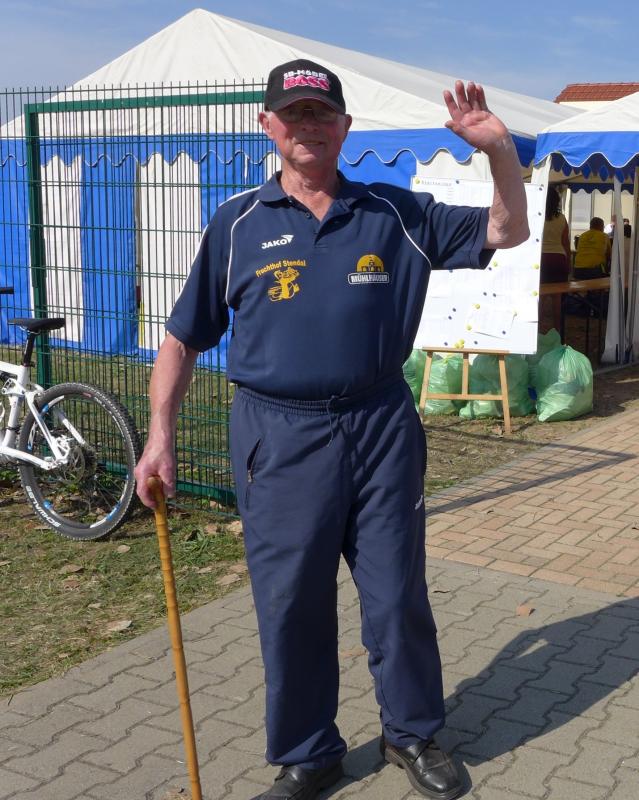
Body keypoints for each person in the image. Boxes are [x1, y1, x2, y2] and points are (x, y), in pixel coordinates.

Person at [134, 59, 528, 800]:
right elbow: (182, 338)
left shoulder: (396, 213)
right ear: (268, 125)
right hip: (278, 438)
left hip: (380, 428)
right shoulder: (236, 225)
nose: (308, 127)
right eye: (294, 115)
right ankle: (309, 753)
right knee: (291, 603)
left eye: (322, 115)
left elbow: (506, 231)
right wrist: (159, 437)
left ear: (345, 127)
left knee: (396, 594)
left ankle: (411, 733)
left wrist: (498, 151)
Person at [540, 186, 570, 332]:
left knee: (540, 297)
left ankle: (537, 331)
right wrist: (568, 263)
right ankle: (557, 331)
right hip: (559, 258)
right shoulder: (562, 218)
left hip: (541, 259)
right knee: (557, 298)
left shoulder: (537, 216)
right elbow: (566, 243)